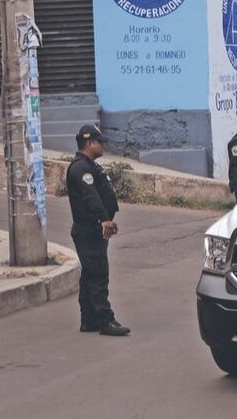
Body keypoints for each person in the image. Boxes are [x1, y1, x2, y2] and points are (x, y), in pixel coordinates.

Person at [66, 124, 130, 337]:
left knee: (89, 275)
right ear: (89, 143)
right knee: (98, 275)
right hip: (89, 230)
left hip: (93, 228)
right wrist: (104, 219)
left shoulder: (88, 165)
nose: (103, 146)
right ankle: (106, 320)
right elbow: (90, 196)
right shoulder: (81, 169)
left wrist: (107, 219)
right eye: (100, 142)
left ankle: (89, 319)